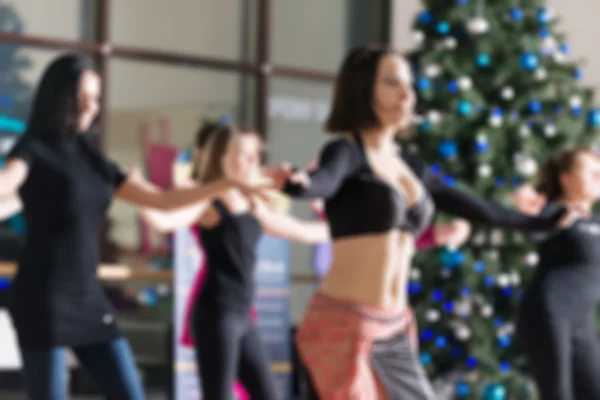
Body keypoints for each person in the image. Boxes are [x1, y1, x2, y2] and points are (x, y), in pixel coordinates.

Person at [267, 45, 579, 399]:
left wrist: (542, 222)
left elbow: (476, 207)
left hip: (393, 326)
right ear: (363, 89)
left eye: (409, 85)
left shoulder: (412, 169)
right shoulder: (347, 153)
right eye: (391, 83)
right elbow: (321, 181)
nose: (406, 94)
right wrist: (296, 182)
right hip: (345, 322)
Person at [0, 53, 267, 400]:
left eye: (95, 99)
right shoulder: (34, 149)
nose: (90, 108)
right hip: (44, 300)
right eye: (81, 99)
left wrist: (226, 183)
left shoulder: (94, 160)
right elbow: (7, 182)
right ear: (59, 97)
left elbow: (161, 200)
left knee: (130, 393)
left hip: (90, 301)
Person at [138, 124, 329, 400]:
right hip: (216, 314)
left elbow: (304, 232)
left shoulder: (255, 203)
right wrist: (142, 197)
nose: (253, 161)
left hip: (242, 316)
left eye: (256, 154)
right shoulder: (208, 199)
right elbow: (166, 219)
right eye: (244, 154)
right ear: (222, 158)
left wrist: (353, 224)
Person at [510, 147, 600, 400]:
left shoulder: (596, 222)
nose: (598, 177)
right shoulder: (555, 213)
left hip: (581, 322)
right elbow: (534, 232)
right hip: (548, 313)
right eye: (590, 172)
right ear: (566, 178)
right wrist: (527, 211)